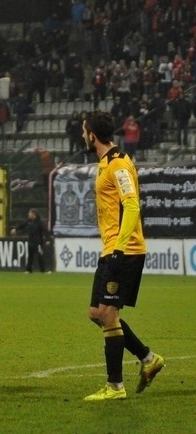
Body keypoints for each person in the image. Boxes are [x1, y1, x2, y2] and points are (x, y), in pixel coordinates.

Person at [80, 110, 165, 401]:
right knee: (97, 314)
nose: (82, 135)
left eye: (83, 130)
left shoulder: (118, 165)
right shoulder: (107, 163)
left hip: (123, 250)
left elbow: (131, 206)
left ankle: (115, 386)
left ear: (92, 134)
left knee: (108, 314)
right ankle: (148, 358)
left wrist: (118, 247)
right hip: (112, 250)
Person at [11, 208, 52, 274]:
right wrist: (16, 229)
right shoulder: (29, 221)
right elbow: (22, 225)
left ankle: (43, 270)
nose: (28, 214)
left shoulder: (40, 222)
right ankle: (28, 270)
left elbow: (45, 231)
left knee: (40, 256)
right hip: (31, 241)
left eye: (30, 213)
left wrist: (48, 239)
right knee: (30, 256)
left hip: (38, 242)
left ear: (34, 214)